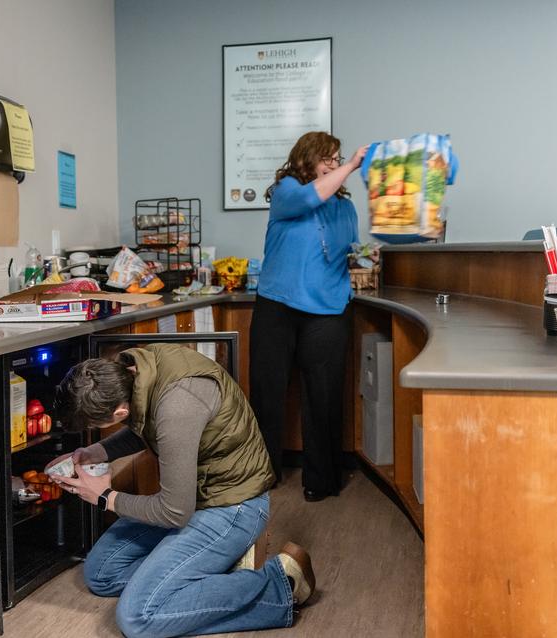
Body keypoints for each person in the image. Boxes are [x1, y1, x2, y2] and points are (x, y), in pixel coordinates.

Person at [48, 343, 316, 638]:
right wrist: (94, 452)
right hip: (193, 497)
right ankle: (205, 576)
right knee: (101, 574)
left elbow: (174, 511)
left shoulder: (178, 403)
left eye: (98, 425)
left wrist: (105, 497)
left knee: (138, 617)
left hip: (232, 507)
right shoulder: (135, 369)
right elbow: (149, 426)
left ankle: (281, 583)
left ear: (120, 411)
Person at [250, 131, 370, 502]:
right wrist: (351, 165)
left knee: (324, 397)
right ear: (306, 159)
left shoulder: (344, 207)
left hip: (328, 309)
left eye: (338, 159)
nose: (334, 165)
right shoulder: (287, 190)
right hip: (277, 305)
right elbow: (309, 197)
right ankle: (261, 474)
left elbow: (350, 251)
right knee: (267, 395)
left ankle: (322, 479)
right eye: (328, 159)